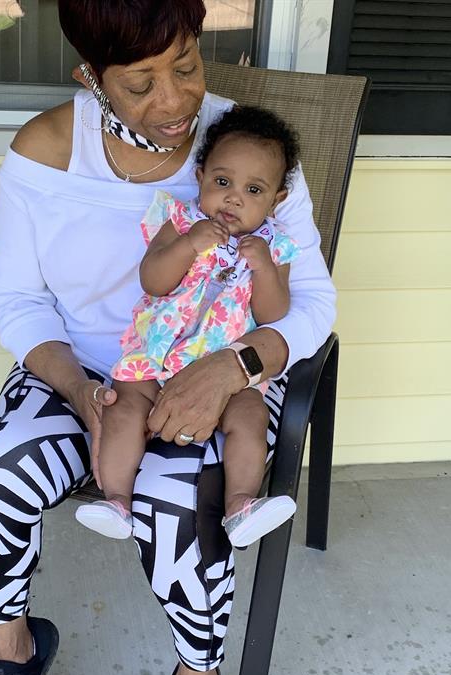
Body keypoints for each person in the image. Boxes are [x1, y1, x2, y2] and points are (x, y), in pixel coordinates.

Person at [0, 1, 336, 675]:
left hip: (218, 370)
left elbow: (312, 303)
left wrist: (233, 367)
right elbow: (15, 296)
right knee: (1, 471)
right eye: (139, 84)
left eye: (186, 66)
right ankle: (12, 658)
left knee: (176, 502)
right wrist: (77, 391)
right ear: (91, 76)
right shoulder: (44, 152)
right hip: (82, 369)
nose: (173, 102)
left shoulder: (245, 153)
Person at [75, 106, 300, 548]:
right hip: (156, 356)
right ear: (200, 177)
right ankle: (117, 500)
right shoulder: (179, 221)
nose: (233, 199)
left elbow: (274, 315)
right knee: (123, 406)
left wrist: (264, 269)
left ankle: (240, 504)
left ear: (276, 200)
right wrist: (188, 246)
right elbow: (153, 280)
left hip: (224, 373)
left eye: (253, 190)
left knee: (252, 416)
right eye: (222, 182)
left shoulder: (274, 245)